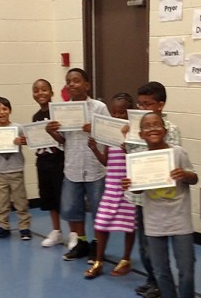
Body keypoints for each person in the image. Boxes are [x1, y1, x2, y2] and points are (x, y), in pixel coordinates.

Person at [121, 112, 201, 298]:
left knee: (186, 266)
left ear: (165, 130)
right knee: (160, 268)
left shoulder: (177, 152)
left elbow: (194, 178)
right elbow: (139, 191)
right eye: (147, 127)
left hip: (180, 219)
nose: (152, 129)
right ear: (141, 134)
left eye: (156, 125)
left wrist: (184, 175)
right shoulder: (139, 159)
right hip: (154, 220)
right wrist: (131, 185)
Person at [125, 82, 182, 298]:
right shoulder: (134, 127)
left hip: (160, 197)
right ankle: (151, 279)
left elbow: (170, 157)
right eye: (140, 103)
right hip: (140, 196)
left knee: (156, 245)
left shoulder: (171, 129)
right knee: (144, 244)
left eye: (147, 104)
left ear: (160, 105)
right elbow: (132, 156)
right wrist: (126, 140)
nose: (142, 107)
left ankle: (162, 285)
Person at [45, 68, 108, 261]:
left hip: (94, 168)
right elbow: (63, 140)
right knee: (73, 209)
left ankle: (97, 247)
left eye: (76, 80)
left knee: (98, 211)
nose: (72, 84)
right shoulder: (62, 109)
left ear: (87, 85)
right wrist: (51, 132)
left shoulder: (99, 107)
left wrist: (95, 128)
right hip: (72, 167)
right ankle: (81, 242)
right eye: (68, 81)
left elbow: (110, 134)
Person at [85, 93, 137, 279]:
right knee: (100, 224)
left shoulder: (134, 136)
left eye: (122, 113)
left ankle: (126, 259)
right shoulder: (110, 137)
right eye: (114, 113)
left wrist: (129, 150)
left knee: (129, 226)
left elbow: (140, 161)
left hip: (128, 190)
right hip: (111, 188)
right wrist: (94, 149)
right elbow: (106, 161)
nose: (118, 117)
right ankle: (99, 260)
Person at [0, 96, 31, 240]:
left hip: (16, 170)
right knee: (1, 202)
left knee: (20, 201)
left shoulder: (18, 127)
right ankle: (3, 226)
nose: (1, 112)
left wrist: (22, 141)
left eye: (4, 109)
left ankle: (24, 227)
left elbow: (29, 141)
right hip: (0, 172)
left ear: (10, 110)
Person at [28, 78, 66, 247]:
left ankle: (74, 233)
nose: (40, 93)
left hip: (59, 161)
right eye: (36, 90)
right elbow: (36, 139)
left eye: (44, 89)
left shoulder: (58, 112)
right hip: (43, 161)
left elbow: (64, 138)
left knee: (63, 198)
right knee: (49, 197)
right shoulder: (36, 116)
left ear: (52, 93)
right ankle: (56, 230)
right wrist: (26, 140)